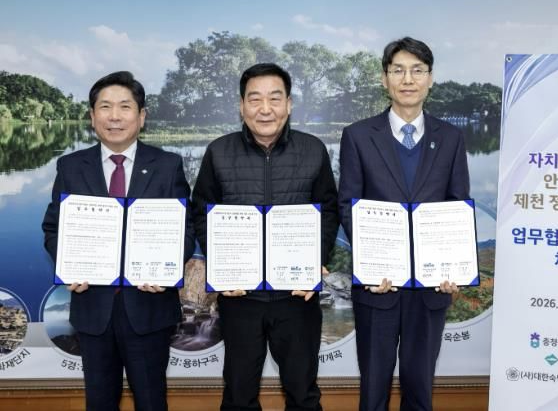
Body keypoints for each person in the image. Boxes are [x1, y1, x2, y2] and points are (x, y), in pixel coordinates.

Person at [42, 71, 195, 411]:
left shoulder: (167, 165)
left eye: (125, 107)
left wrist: (167, 269)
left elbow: (184, 229)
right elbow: (54, 228)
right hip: (93, 308)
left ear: (141, 116)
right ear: (92, 115)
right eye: (105, 107)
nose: (114, 116)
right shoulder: (70, 166)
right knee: (99, 402)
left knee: (151, 401)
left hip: (149, 308)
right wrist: (68, 265)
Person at [192, 63, 338, 411]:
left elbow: (329, 211)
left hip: (296, 297)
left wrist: (315, 261)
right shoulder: (219, 151)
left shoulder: (313, 149)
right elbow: (202, 213)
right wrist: (221, 267)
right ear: (241, 106)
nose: (265, 108)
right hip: (241, 297)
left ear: (289, 104)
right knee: (239, 394)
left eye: (275, 98)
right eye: (254, 99)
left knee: (303, 393)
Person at [338, 37, 470, 411]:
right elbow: (348, 204)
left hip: (430, 289)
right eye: (398, 70)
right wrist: (371, 263)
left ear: (430, 78)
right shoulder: (358, 136)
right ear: (385, 79)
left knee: (419, 388)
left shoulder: (451, 138)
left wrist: (453, 266)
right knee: (373, 390)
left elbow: (457, 205)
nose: (407, 79)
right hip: (377, 286)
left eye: (417, 70)